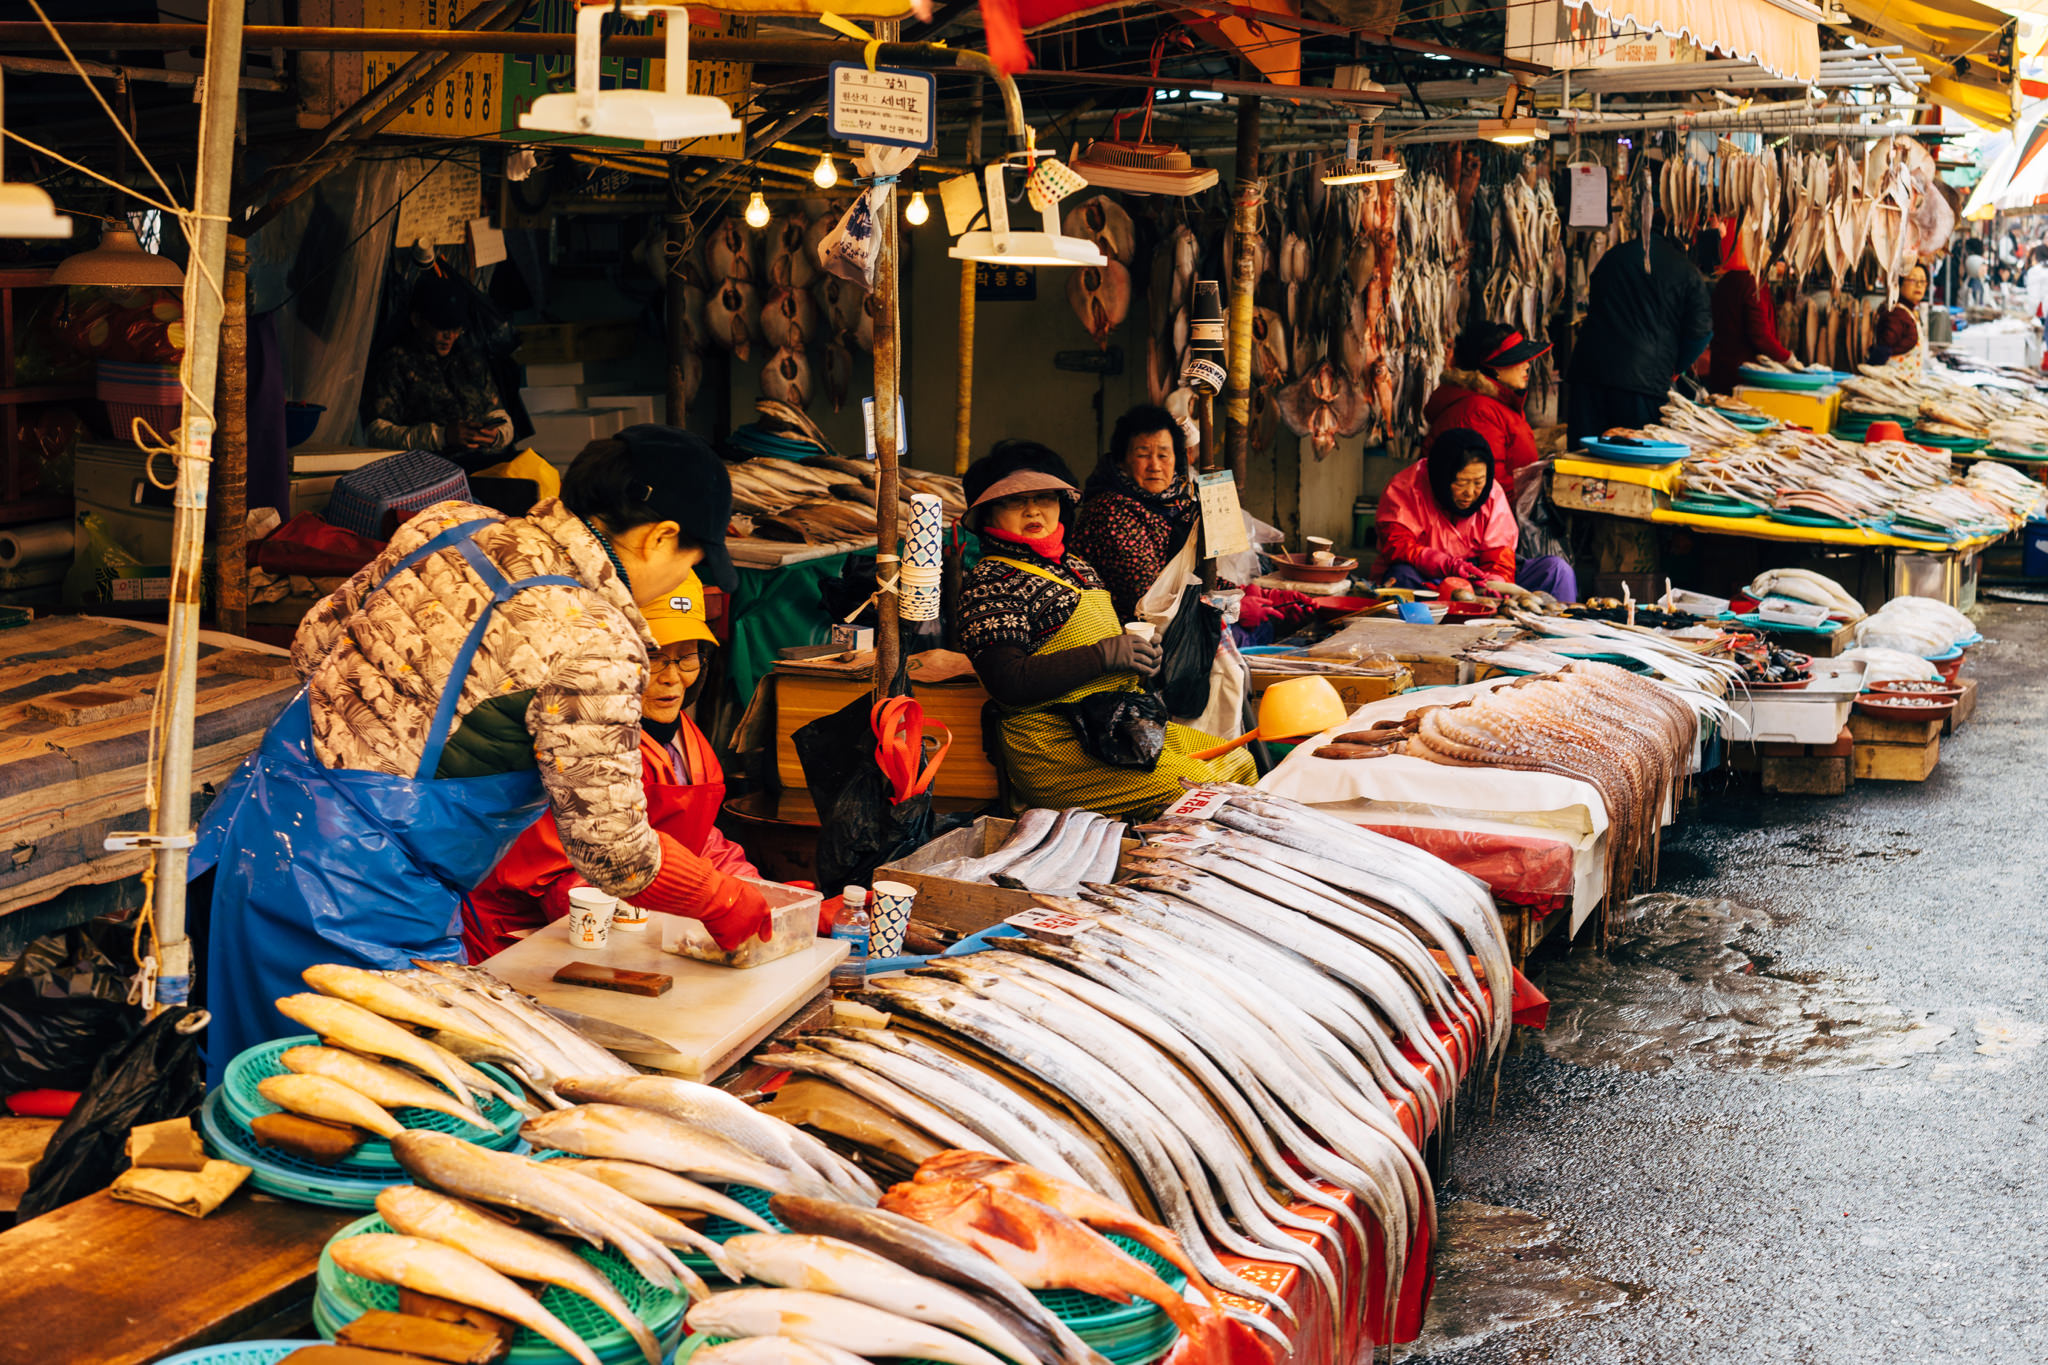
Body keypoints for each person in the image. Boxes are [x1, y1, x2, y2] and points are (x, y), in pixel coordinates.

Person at [189, 425, 771, 1080]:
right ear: (662, 535)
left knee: (248, 1090)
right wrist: (723, 898)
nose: (681, 577)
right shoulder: (597, 636)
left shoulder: (448, 524)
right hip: (355, 900)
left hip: (252, 834)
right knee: (364, 1118)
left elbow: (314, 639)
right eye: (691, 560)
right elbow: (613, 851)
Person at [461, 570, 756, 960]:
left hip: (635, 932)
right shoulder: (574, 733)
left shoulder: (687, 740)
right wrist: (695, 909)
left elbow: (699, 841)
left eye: (687, 657)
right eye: (653, 656)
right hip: (524, 943)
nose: (672, 679)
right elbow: (563, 883)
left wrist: (758, 895)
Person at [955, 440, 1255, 820]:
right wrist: (1103, 655)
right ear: (986, 515)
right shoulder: (992, 581)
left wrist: (1139, 658)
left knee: (1237, 762)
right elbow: (1008, 682)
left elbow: (1105, 648)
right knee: (1203, 791)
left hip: (1119, 726)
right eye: (1014, 501)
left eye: (1044, 497)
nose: (1033, 510)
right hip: (1055, 745)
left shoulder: (1077, 566)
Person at [364, 274, 561, 501]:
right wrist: (442, 436)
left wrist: (495, 434)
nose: (450, 336)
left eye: (456, 329)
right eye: (442, 327)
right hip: (432, 473)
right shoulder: (395, 362)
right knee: (513, 493)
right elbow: (377, 434)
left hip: (480, 462)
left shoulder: (469, 359)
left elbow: (499, 415)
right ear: (417, 320)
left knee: (538, 472)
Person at [1373, 427, 1576, 601]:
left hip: (1479, 576)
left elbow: (1500, 554)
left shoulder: (1492, 493)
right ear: (1441, 477)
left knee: (1557, 570)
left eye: (1478, 482)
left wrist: (1496, 582)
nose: (1470, 493)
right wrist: (1446, 565)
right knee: (1401, 577)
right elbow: (1396, 544)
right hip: (1427, 576)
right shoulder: (1406, 487)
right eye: (1461, 483)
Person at [1566, 214, 1712, 447]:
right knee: (1631, 460)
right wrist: (1677, 367)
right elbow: (1701, 333)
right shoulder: (1686, 270)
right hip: (1642, 383)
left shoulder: (1614, 256)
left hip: (1590, 371)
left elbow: (1593, 299)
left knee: (1583, 456)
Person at [1070, 405, 1198, 623]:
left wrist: (1238, 592)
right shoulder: (1110, 512)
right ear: (1123, 460)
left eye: (1163, 455)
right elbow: (1151, 596)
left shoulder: (1177, 504)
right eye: (1143, 455)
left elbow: (1193, 572)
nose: (1155, 466)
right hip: (1126, 636)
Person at [1423, 321, 1549, 488]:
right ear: (1495, 367)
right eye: (1518, 359)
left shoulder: (1495, 403)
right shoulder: (1479, 412)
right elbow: (1491, 486)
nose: (1527, 366)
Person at [1706, 232, 1793, 392]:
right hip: (1742, 377)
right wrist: (1787, 359)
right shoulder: (1751, 283)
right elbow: (1760, 336)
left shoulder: (1727, 281)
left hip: (1721, 371)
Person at [1869, 265, 1927, 367]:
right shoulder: (1897, 314)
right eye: (1913, 280)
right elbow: (1883, 350)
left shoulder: (1909, 311)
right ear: (1900, 282)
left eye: (1922, 281)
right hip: (1890, 379)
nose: (1919, 285)